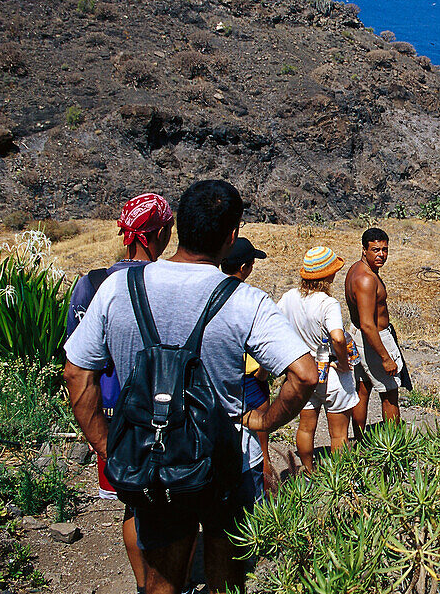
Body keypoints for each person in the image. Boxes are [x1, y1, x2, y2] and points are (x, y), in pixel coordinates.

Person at [63, 180, 318, 594]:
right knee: (227, 579)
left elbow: (77, 373)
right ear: (231, 236)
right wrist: (263, 420)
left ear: (177, 229)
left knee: (161, 581)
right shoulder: (243, 300)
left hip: (152, 460)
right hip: (225, 464)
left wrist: (106, 445)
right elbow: (305, 374)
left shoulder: (117, 289)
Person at [63, 192, 174, 594]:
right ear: (156, 233)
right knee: (172, 504)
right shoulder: (161, 285)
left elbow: (76, 368)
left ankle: (144, 583)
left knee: (133, 503)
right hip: (157, 415)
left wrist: (99, 439)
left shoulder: (91, 284)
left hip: (107, 420)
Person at [277, 246, 356, 472]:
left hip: (303, 371)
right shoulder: (327, 303)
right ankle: (338, 478)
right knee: (339, 433)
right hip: (331, 374)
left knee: (305, 427)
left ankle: (308, 470)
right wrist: (342, 362)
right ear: (327, 274)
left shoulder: (290, 297)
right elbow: (338, 338)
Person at [220, 237, 276, 495]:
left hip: (220, 376)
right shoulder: (248, 299)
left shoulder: (211, 293)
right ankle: (264, 495)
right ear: (243, 267)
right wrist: (264, 373)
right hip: (250, 379)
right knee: (261, 441)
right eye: (251, 263)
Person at [344, 227, 410, 434]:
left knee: (363, 390)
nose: (381, 254)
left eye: (385, 250)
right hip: (373, 338)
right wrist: (385, 357)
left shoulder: (357, 269)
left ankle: (360, 440)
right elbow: (367, 323)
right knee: (390, 393)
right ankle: (393, 445)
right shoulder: (366, 279)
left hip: (360, 336)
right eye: (375, 250)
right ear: (364, 250)